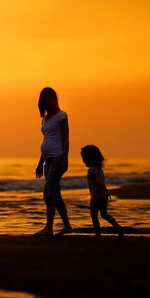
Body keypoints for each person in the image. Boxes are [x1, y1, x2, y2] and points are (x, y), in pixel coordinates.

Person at [35, 87, 72, 236]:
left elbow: (65, 139)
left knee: (49, 193)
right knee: (56, 194)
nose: (48, 102)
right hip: (47, 160)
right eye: (45, 100)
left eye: (50, 99)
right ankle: (67, 226)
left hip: (58, 158)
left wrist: (65, 159)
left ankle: (48, 228)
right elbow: (46, 141)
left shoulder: (62, 116)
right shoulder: (45, 119)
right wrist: (39, 163)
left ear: (55, 100)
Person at [81, 144, 124, 239]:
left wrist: (105, 189)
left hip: (96, 197)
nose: (82, 160)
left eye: (83, 157)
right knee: (104, 214)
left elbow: (98, 181)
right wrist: (106, 192)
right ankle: (117, 227)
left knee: (94, 215)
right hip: (103, 196)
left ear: (88, 158)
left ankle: (97, 234)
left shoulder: (91, 171)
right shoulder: (99, 169)